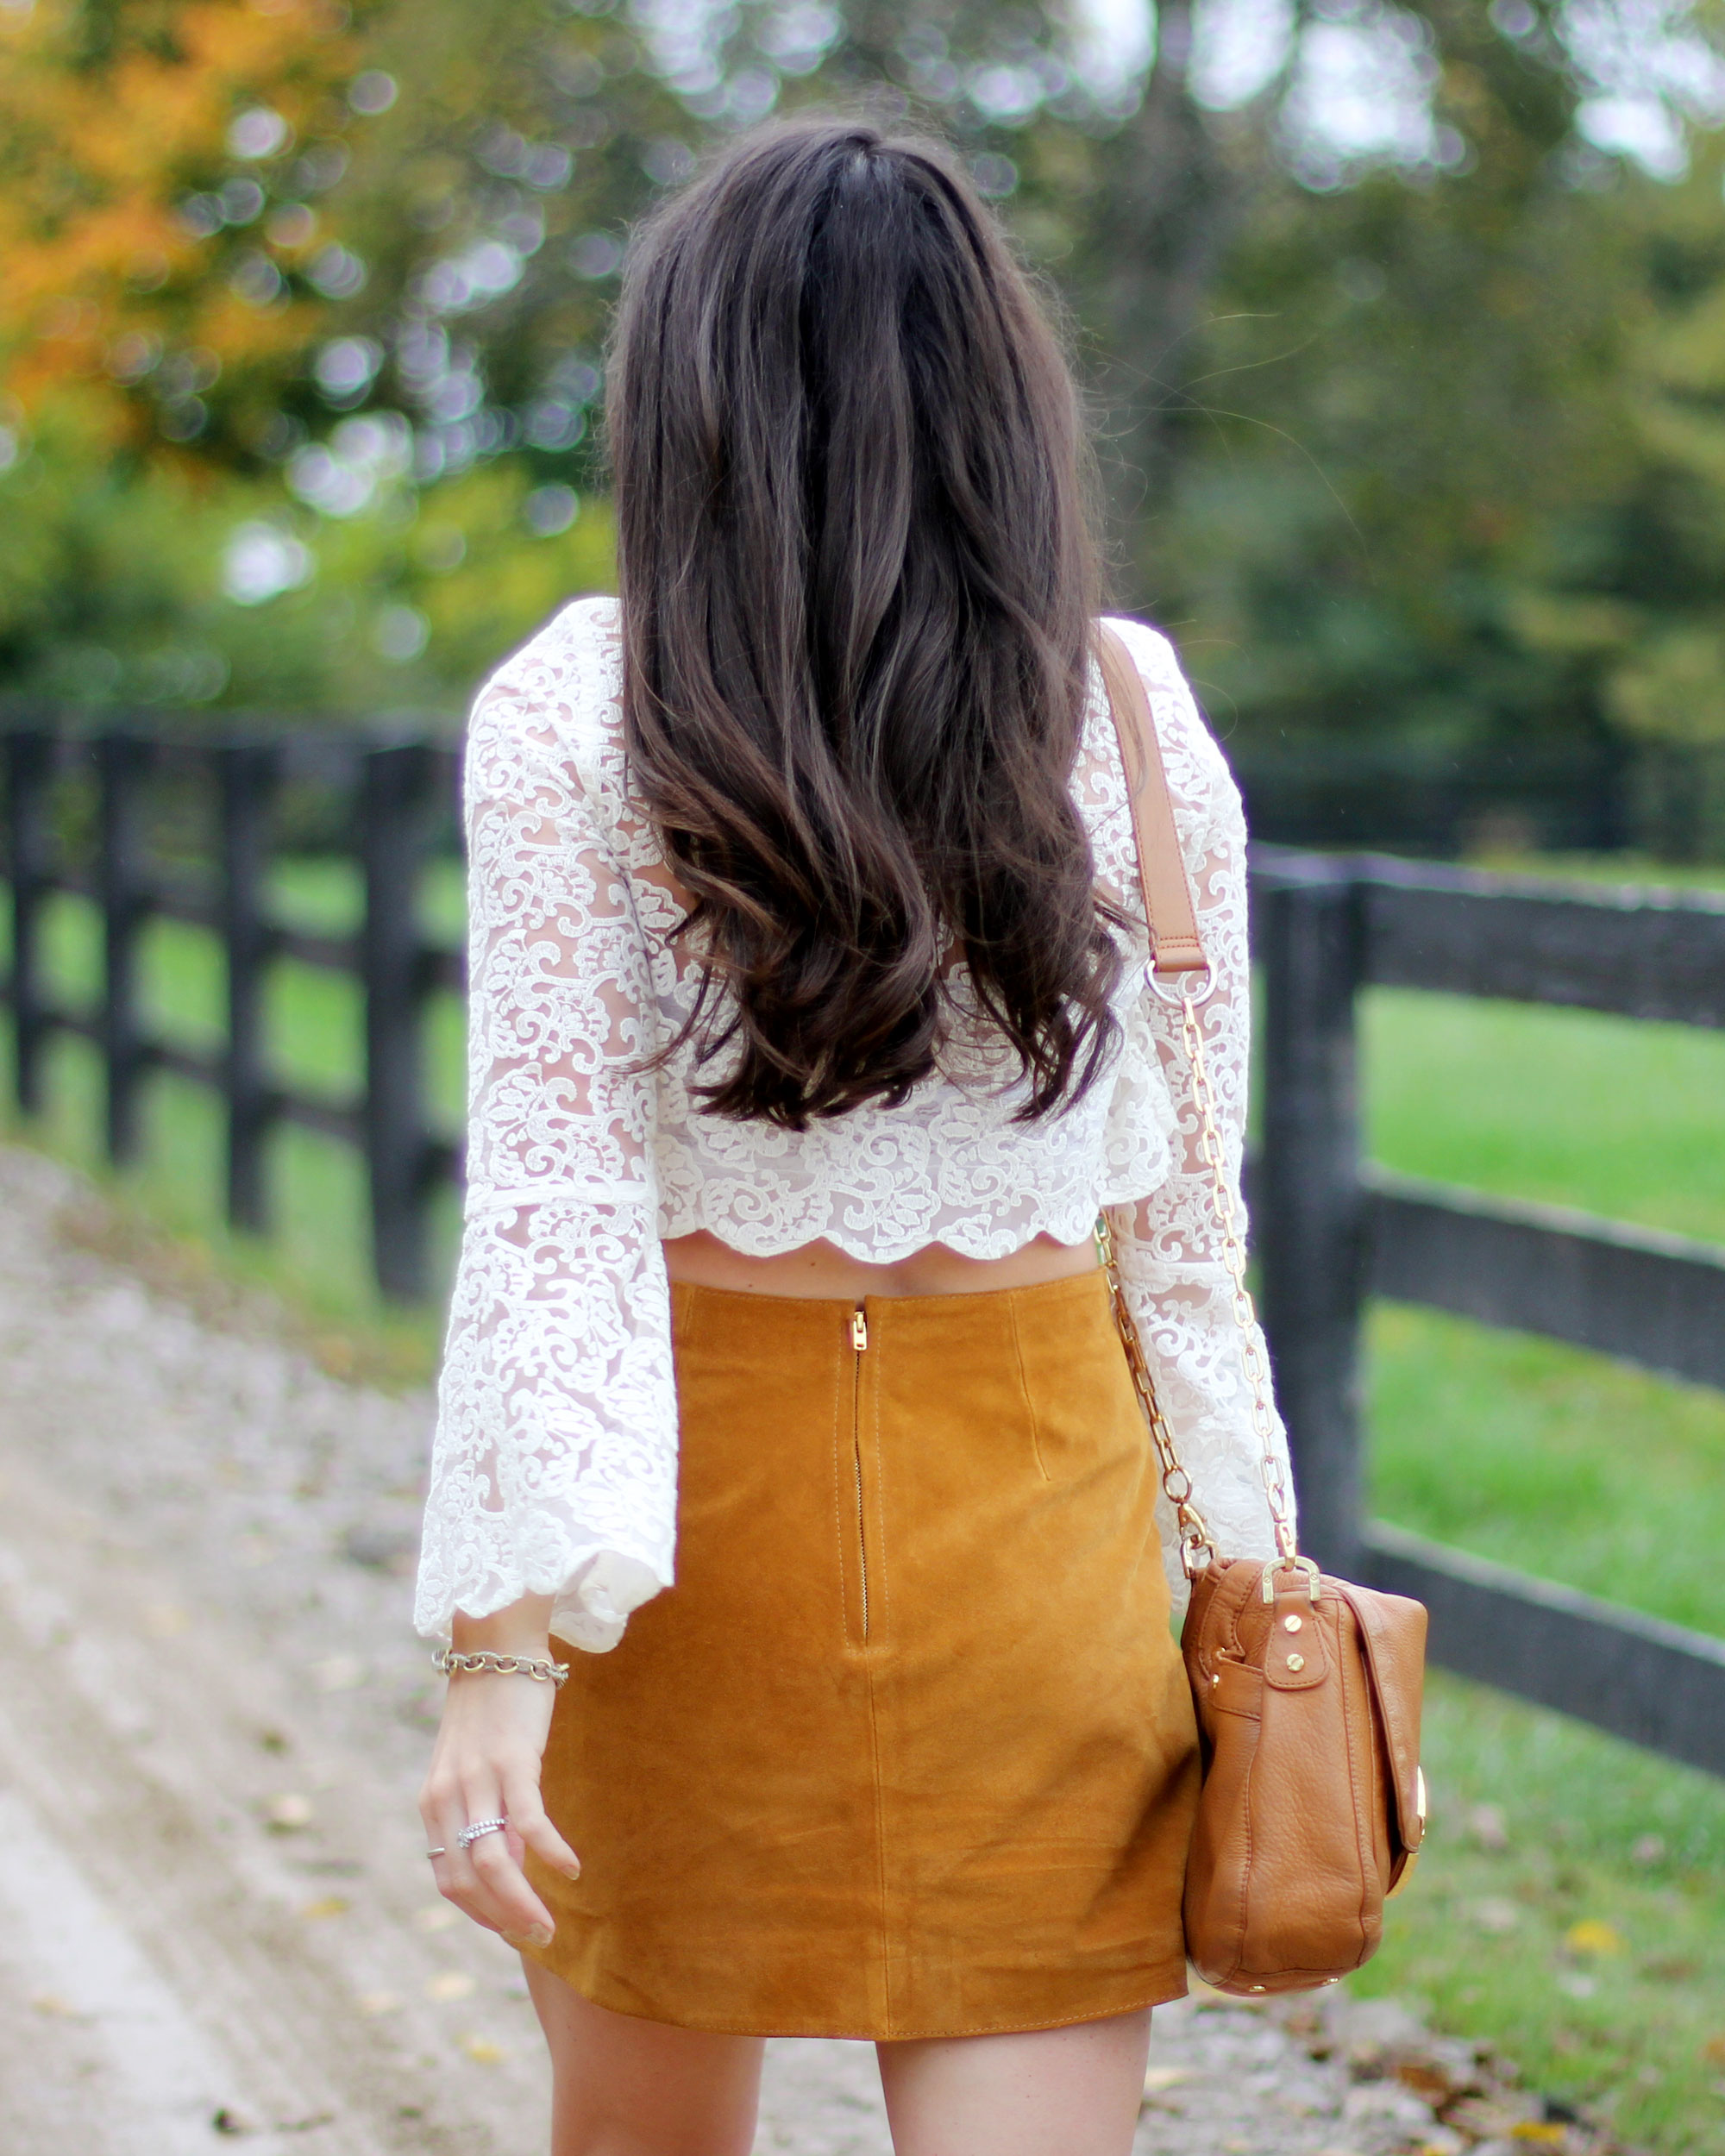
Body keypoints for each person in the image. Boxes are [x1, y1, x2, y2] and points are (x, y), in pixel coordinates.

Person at [415, 112, 1294, 2156]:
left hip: (689, 1542)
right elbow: (1184, 1234)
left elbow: (555, 1203)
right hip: (1011, 1534)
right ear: (999, 399)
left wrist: (505, 1651)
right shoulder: (1135, 714)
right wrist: (1249, 1572)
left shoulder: (571, 708)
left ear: (684, 400)